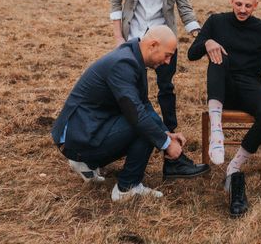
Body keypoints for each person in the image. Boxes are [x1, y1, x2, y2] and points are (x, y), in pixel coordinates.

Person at [51, 26, 209, 202]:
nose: (168, 61)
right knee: (142, 127)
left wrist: (166, 133)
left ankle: (87, 163)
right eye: (167, 55)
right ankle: (127, 187)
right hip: (77, 138)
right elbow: (137, 114)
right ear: (153, 45)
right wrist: (166, 144)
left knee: (147, 123)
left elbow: (144, 104)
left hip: (88, 128)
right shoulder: (123, 64)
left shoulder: (133, 57)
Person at [188, 0, 261, 217]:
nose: (242, 9)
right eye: (238, 4)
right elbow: (191, 53)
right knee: (218, 58)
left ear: (255, 6)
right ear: (232, 2)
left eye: (248, 5)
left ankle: (235, 164)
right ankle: (217, 129)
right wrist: (207, 41)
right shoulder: (216, 21)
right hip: (222, 86)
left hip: (250, 85)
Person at [110, 0, 200, 167]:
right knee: (133, 91)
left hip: (164, 38)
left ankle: (172, 144)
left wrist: (196, 32)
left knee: (166, 88)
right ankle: (121, 137)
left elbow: (183, 3)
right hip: (135, 38)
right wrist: (119, 37)